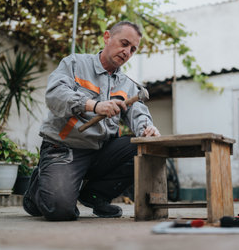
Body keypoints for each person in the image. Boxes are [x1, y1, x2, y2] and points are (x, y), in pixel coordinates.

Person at [23, 21, 160, 221]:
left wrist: (147, 128)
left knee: (143, 147)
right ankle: (38, 189)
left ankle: (96, 195)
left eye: (132, 49)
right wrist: (94, 105)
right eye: (124, 43)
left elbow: (139, 114)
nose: (127, 52)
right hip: (64, 148)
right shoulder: (74, 64)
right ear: (107, 37)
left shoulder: (128, 85)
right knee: (60, 211)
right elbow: (55, 95)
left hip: (100, 153)